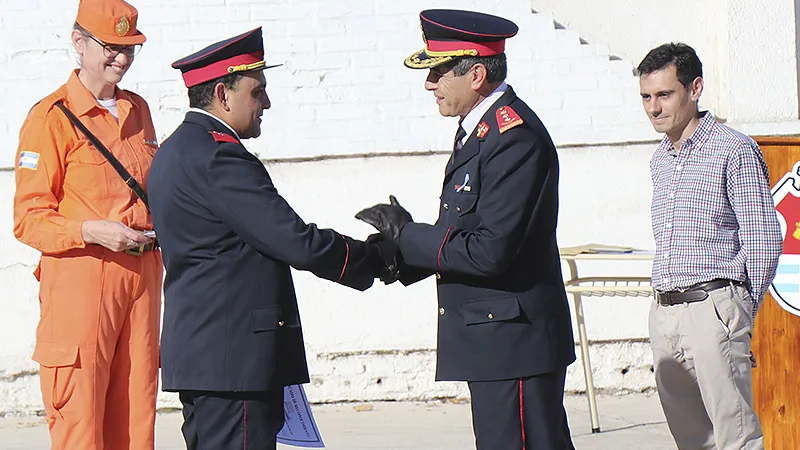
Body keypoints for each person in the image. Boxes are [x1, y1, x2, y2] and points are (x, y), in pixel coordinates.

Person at [146, 27, 396, 450]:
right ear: (223, 95)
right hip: (234, 361)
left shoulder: (176, 150)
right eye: (257, 92)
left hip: (208, 355)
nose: (266, 103)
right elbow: (295, 240)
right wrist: (377, 259)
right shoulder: (218, 156)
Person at [355, 9, 576, 450]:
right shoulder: (480, 133)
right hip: (496, 342)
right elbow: (462, 230)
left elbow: (490, 251)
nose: (429, 84)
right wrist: (398, 256)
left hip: (513, 344)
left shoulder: (513, 138)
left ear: (476, 75)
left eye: (438, 72)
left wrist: (407, 235)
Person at [12, 0, 161, 449]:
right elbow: (28, 220)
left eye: (129, 48)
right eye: (110, 47)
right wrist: (90, 230)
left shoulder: (138, 110)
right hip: (82, 277)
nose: (121, 58)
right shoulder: (51, 118)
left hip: (142, 276)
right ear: (79, 42)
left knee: (136, 418)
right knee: (80, 419)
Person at [637, 42, 782, 449]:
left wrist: (736, 311)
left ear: (695, 88)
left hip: (713, 308)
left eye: (664, 94)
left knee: (735, 437)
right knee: (692, 440)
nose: (654, 108)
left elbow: (764, 239)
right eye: (646, 97)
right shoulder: (660, 159)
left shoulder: (734, 149)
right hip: (664, 314)